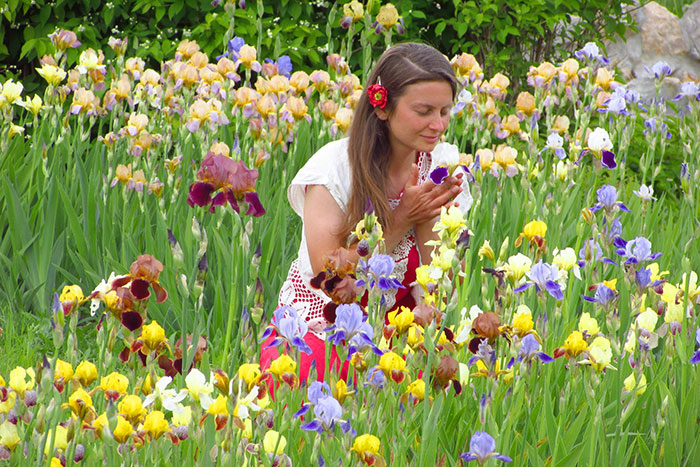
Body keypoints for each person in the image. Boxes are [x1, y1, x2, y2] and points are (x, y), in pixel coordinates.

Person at [260, 42, 472, 385]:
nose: (438, 125)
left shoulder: (440, 166)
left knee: (449, 375)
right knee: (316, 380)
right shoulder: (334, 170)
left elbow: (443, 278)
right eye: (424, 111)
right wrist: (402, 218)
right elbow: (332, 281)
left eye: (445, 111)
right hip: (327, 325)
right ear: (383, 107)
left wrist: (426, 311)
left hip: (405, 326)